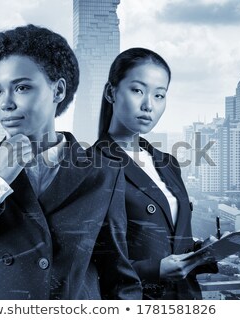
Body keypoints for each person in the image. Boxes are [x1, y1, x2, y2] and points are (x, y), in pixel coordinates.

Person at [0, 25, 141, 300]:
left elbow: (119, 279)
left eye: (22, 87)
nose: (5, 104)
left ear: (58, 90)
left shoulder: (104, 174)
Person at [93, 47, 217, 299]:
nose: (148, 105)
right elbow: (85, 261)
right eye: (137, 90)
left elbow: (170, 243)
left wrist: (204, 250)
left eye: (159, 95)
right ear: (111, 92)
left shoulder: (168, 163)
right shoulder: (90, 165)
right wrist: (153, 270)